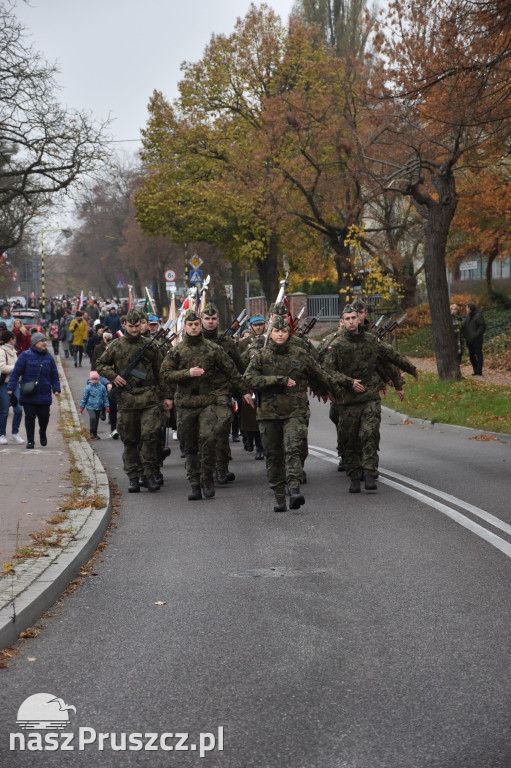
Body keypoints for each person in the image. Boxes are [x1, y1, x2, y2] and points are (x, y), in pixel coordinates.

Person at [244, 316, 344, 512]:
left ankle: (294, 488)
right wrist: (278, 380)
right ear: (270, 334)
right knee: (273, 455)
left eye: (284, 331)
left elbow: (321, 375)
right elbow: (249, 378)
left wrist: (338, 393)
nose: (280, 334)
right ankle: (279, 496)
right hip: (269, 414)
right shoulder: (261, 356)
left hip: (294, 411)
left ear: (289, 333)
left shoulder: (300, 354)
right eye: (276, 331)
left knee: (293, 449)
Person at [324, 305, 418, 493]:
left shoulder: (371, 340)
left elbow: (390, 356)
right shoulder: (337, 344)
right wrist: (348, 382)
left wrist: (410, 369)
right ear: (343, 321)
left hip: (369, 398)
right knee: (349, 439)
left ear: (359, 319)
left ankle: (369, 473)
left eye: (354, 317)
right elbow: (327, 371)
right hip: (347, 401)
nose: (351, 321)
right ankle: (353, 476)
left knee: (369, 433)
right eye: (347, 318)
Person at [160, 310, 252, 501]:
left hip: (208, 402)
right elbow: (165, 374)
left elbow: (232, 371)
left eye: (196, 325)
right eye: (190, 325)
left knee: (208, 438)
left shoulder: (212, 349)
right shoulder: (177, 351)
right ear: (184, 327)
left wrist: (245, 391)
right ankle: (194, 483)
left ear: (200, 326)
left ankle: (208, 477)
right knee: (190, 445)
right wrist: (186, 373)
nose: (193, 328)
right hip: (185, 404)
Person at [96, 309, 171, 493]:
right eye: (131, 326)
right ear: (124, 325)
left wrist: (167, 396)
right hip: (127, 401)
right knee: (130, 439)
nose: (135, 330)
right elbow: (100, 365)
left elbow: (162, 372)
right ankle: (133, 477)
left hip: (149, 399)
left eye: (138, 326)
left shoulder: (151, 346)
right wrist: (114, 377)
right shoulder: (116, 345)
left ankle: (149, 474)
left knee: (150, 437)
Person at [200, 302, 247, 484]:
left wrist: (244, 390)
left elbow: (239, 368)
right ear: (201, 320)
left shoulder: (226, 342)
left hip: (221, 392)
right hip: (200, 394)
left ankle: (221, 468)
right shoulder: (194, 341)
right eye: (207, 319)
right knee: (204, 435)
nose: (210, 322)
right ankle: (205, 469)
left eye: (213, 319)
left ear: (218, 321)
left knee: (221, 431)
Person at [7, 332, 61, 449]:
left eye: (45, 341)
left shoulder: (48, 357)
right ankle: (30, 440)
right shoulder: (25, 355)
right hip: (29, 393)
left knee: (44, 417)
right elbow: (15, 373)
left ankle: (42, 432)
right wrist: (10, 388)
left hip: (44, 393)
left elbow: (54, 375)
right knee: (30, 417)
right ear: (35, 343)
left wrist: (56, 388)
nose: (44, 343)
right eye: (42, 341)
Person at [0, 330, 24, 444]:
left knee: (19, 409)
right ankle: (2, 434)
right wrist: (17, 367)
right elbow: (3, 368)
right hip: (4, 384)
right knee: (4, 410)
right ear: (10, 339)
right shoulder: (1, 351)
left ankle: (14, 433)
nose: (15, 340)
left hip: (15, 384)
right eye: (14, 339)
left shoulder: (14, 351)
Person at [79, 371, 110, 440]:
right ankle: (91, 433)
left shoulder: (102, 387)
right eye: (93, 379)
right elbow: (84, 398)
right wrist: (82, 407)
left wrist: (107, 406)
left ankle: (95, 434)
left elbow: (105, 397)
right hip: (90, 406)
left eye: (96, 379)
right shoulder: (88, 388)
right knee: (93, 417)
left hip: (99, 407)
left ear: (98, 379)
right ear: (90, 380)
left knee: (96, 420)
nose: (94, 381)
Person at [462, 301, 486, 376]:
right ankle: (475, 370)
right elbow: (465, 327)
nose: (466, 309)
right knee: (471, 356)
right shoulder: (467, 316)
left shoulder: (478, 315)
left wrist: (476, 335)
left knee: (479, 355)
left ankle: (479, 370)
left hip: (477, 340)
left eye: (467, 307)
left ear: (470, 308)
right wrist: (465, 335)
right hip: (469, 340)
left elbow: (482, 327)